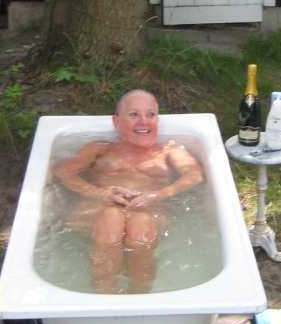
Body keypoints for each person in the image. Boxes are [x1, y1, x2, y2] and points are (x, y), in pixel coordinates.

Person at [53, 90, 204, 294]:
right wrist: (98, 193)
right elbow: (62, 172)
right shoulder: (101, 148)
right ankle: (104, 294)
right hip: (98, 211)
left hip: (149, 213)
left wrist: (159, 194)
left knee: (141, 223)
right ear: (116, 122)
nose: (144, 121)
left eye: (150, 115)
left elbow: (194, 175)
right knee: (111, 217)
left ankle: (138, 294)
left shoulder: (169, 150)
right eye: (134, 114)